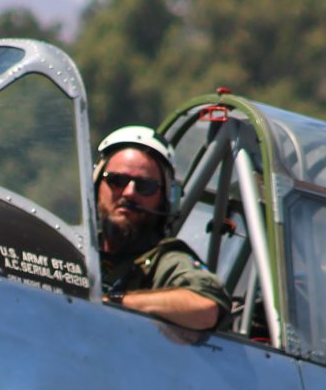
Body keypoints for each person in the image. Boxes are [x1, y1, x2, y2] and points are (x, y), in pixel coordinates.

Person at [93, 126, 230, 341]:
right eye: (117, 180)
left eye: (144, 186)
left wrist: (113, 302)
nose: (129, 192)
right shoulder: (73, 245)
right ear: (96, 185)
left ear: (165, 198)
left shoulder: (165, 260)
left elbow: (206, 307)